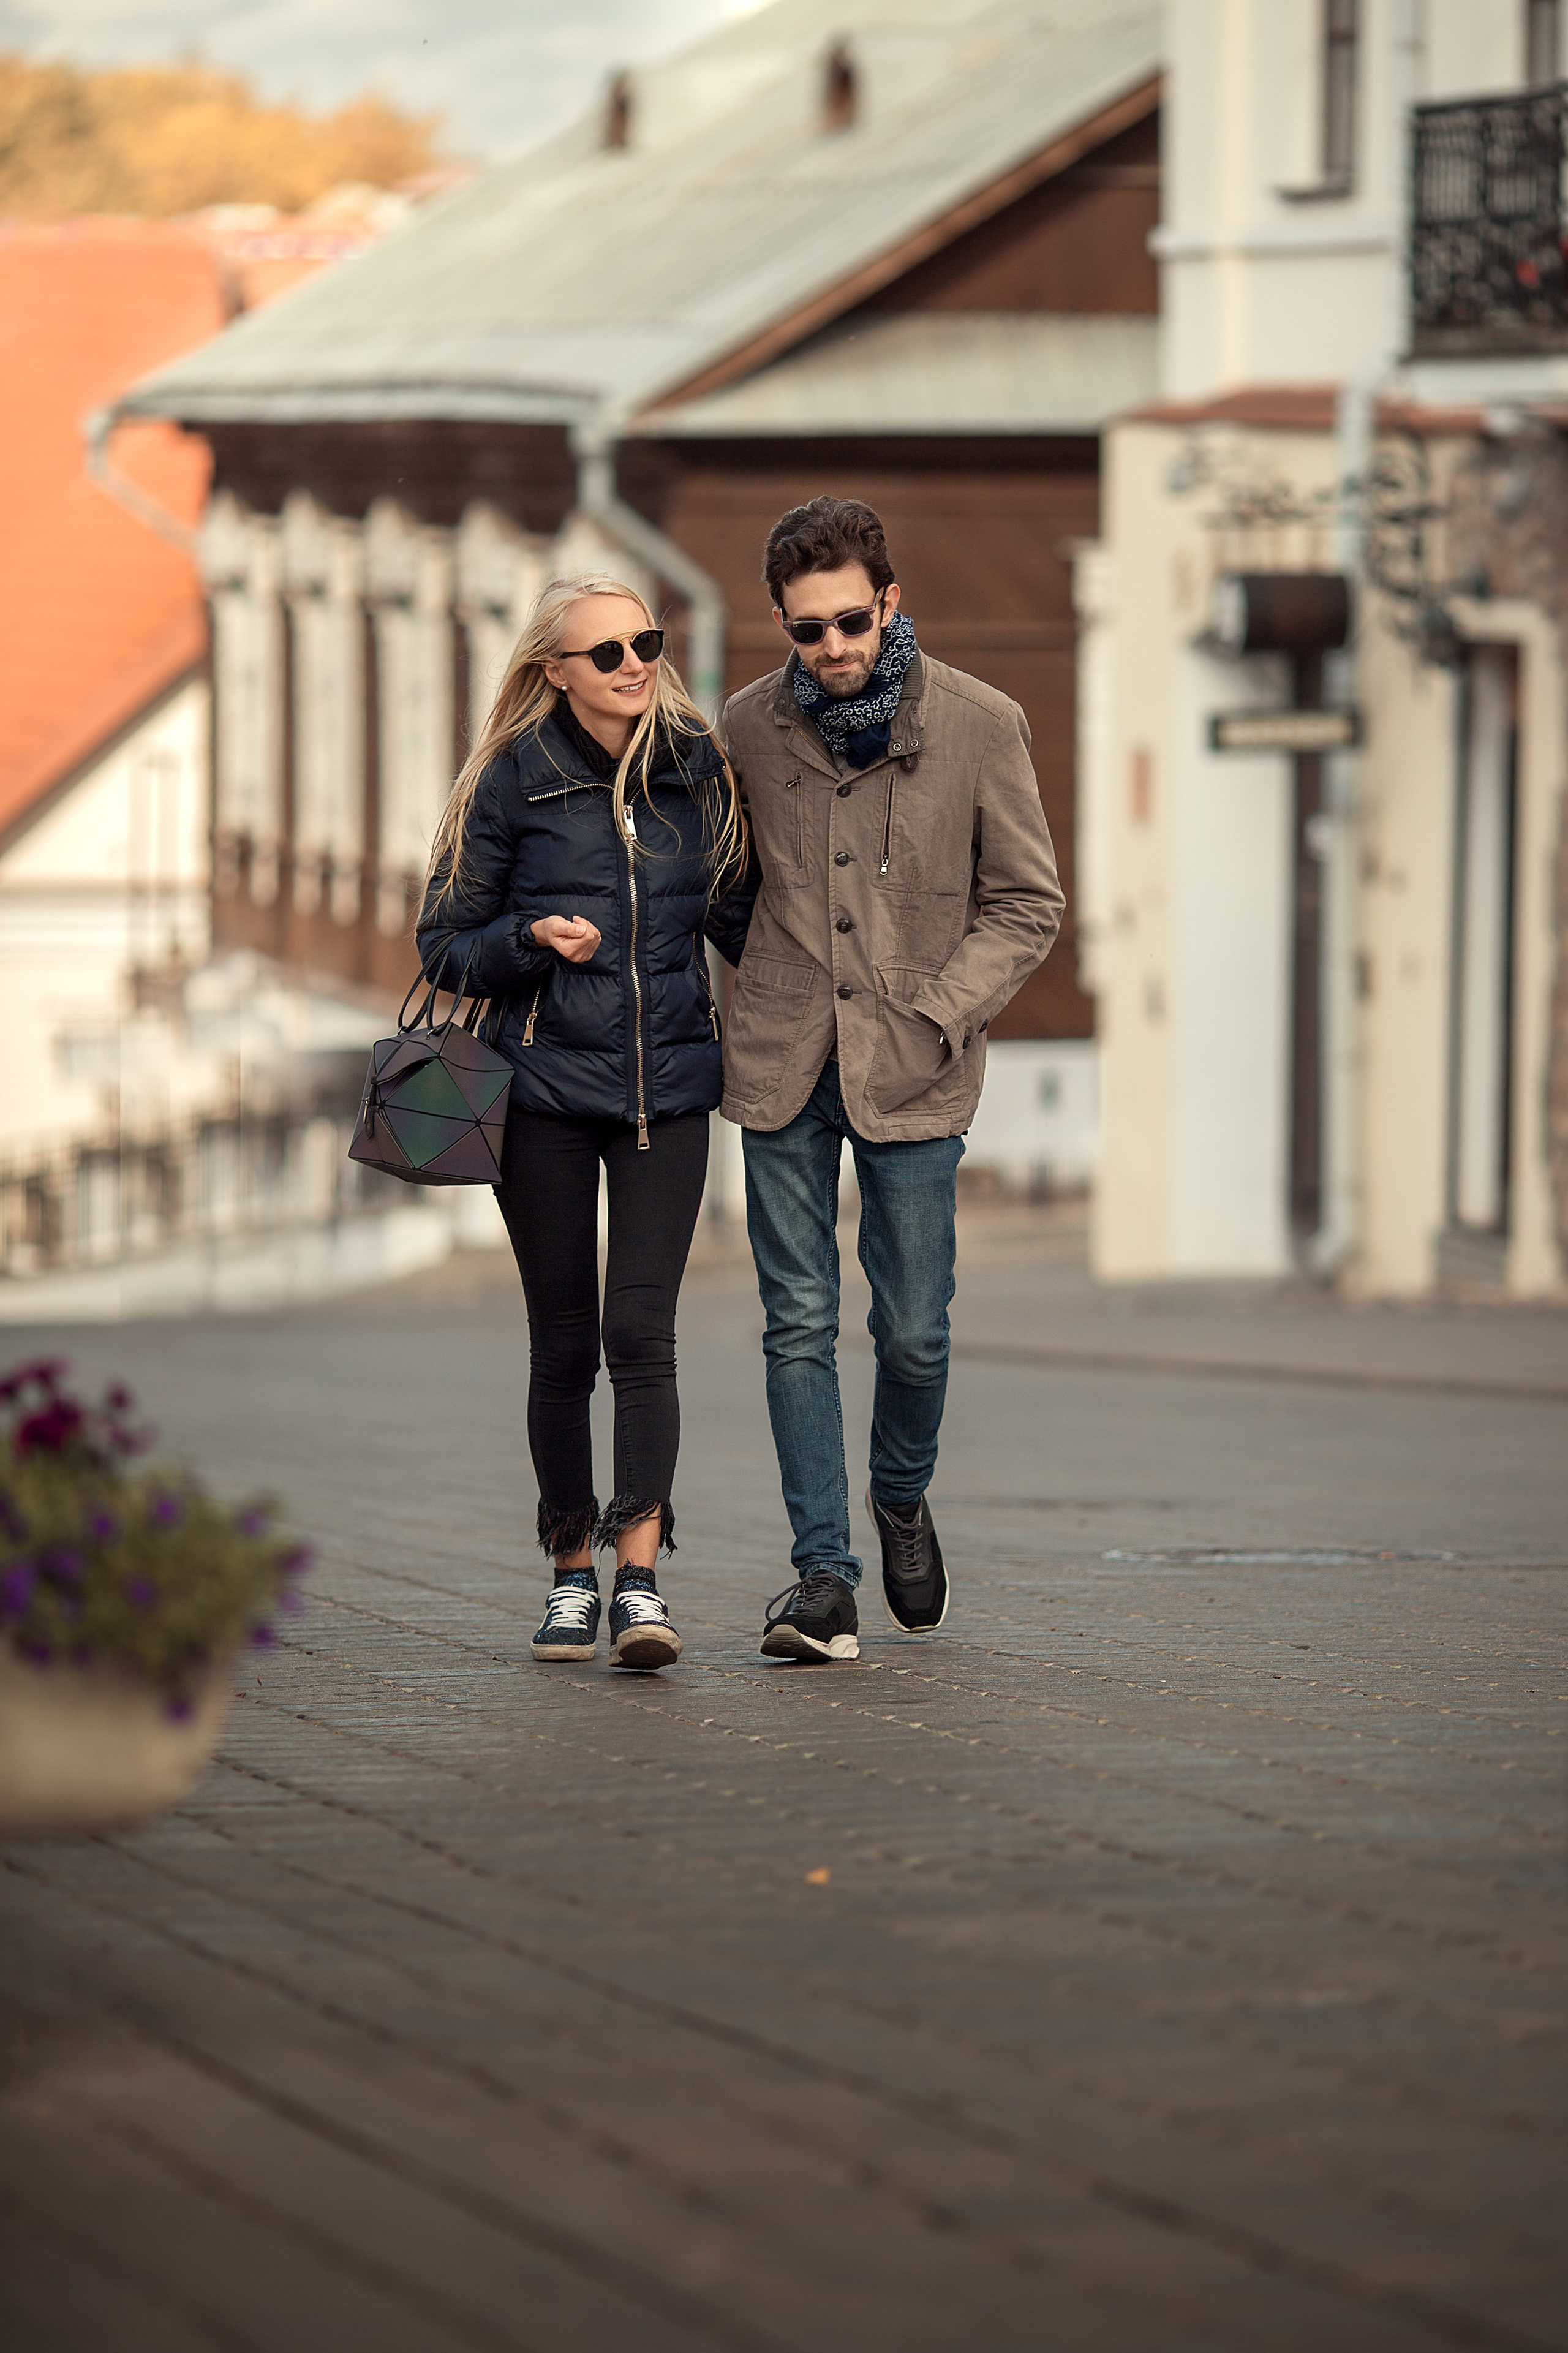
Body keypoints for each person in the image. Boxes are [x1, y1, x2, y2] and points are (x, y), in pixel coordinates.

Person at [718, 497, 1063, 1662]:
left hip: (916, 1063)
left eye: (852, 622)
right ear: (782, 621)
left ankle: (901, 1494)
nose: (833, 647)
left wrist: (935, 1011)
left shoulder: (982, 724)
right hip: (782, 1060)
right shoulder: (747, 726)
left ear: (890, 602)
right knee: (797, 1321)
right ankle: (823, 1575)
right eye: (807, 629)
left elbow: (1028, 904)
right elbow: (727, 885)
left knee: (913, 1331)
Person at [417, 574, 753, 1671]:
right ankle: (571, 1575)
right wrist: (530, 940)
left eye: (645, 642)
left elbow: (746, 919)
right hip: (545, 1097)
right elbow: (444, 945)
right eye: (605, 652)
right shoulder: (512, 780)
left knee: (641, 1336)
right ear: (554, 671)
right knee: (563, 1343)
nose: (633, 665)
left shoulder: (697, 770)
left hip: (670, 1093)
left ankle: (640, 1581)